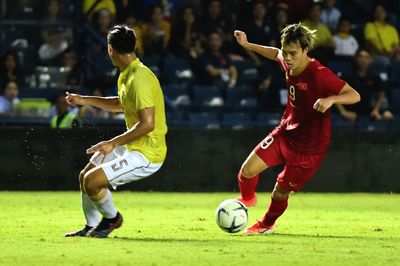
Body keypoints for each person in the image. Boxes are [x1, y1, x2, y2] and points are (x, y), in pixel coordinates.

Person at [233, 23, 360, 234]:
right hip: (286, 133)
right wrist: (248, 45)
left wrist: (331, 100)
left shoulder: (320, 74)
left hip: (309, 149)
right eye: (286, 52)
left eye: (293, 53)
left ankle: (266, 224)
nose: (288, 58)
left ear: (305, 51)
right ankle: (247, 199)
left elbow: (355, 95)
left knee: (280, 192)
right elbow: (275, 54)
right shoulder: (287, 60)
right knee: (246, 171)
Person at [64, 25, 167, 238]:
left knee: (93, 182)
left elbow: (148, 124)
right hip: (132, 145)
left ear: (110, 49)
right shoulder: (128, 74)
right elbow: (121, 104)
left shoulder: (139, 78)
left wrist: (113, 142)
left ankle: (112, 219)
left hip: (147, 153)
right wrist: (83, 99)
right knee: (85, 177)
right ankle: (91, 225)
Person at [337, 48, 393, 122]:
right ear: (356, 59)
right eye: (360, 57)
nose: (363, 60)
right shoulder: (347, 75)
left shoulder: (375, 76)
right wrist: (343, 112)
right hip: (351, 110)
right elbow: (333, 93)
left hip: (368, 109)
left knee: (388, 115)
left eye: (366, 57)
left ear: (370, 60)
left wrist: (376, 110)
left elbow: (381, 94)